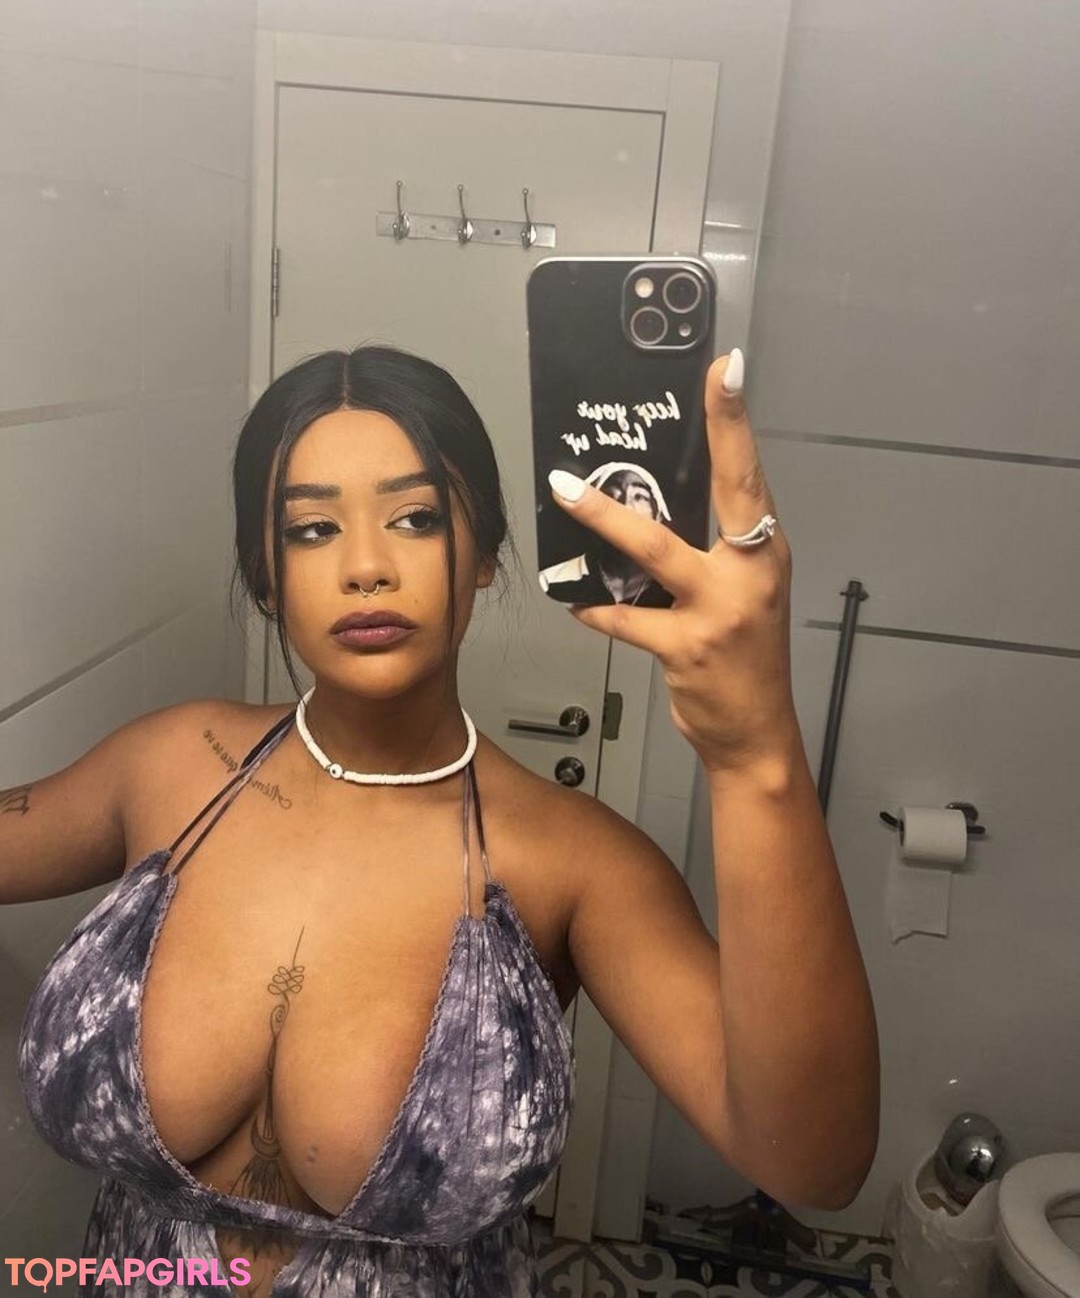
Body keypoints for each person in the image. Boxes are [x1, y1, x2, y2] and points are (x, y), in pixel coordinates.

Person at [5, 344, 879, 1297]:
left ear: (487, 553)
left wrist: (755, 758)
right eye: (311, 529)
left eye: (416, 518)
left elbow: (815, 1163)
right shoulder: (169, 765)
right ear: (265, 572)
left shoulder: (574, 863)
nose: (366, 568)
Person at [537, 462, 673, 606]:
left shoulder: (673, 588)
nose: (626, 506)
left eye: (639, 496)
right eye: (612, 495)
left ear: (658, 516)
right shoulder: (548, 582)